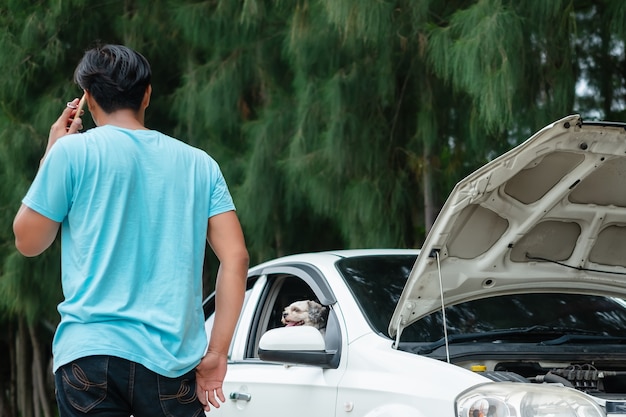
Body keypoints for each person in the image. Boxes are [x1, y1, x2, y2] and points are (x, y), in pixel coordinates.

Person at [12, 44, 249, 417]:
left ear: (88, 99)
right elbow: (236, 258)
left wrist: (52, 152)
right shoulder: (200, 165)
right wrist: (217, 353)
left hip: (90, 357)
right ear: (148, 94)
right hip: (172, 364)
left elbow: (28, 242)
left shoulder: (72, 153)